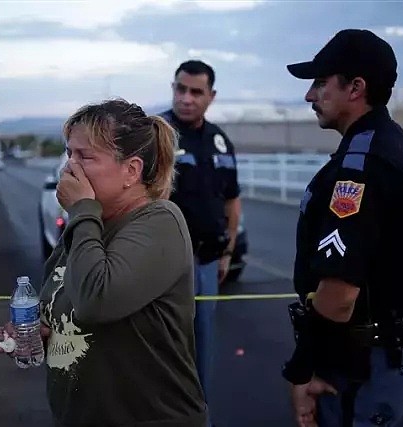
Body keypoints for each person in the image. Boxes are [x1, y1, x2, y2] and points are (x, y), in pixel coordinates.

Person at [0, 99, 208, 426]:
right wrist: (41, 331)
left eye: (86, 157)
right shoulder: (87, 227)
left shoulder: (159, 222)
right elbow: (68, 302)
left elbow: (97, 299)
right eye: (69, 154)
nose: (70, 168)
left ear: (131, 171)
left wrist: (81, 210)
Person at [281, 29, 403, 427]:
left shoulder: (361, 168)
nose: (310, 96)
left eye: (321, 83)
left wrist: (306, 370)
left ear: (356, 87)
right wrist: (391, 289)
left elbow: (338, 296)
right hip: (388, 351)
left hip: (357, 365)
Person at [159, 60, 242, 404]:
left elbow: (232, 201)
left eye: (196, 92)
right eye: (181, 89)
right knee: (163, 350)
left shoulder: (220, 141)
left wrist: (227, 252)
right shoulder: (155, 133)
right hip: (164, 265)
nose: (186, 98)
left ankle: (199, 415)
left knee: (203, 347)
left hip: (207, 261)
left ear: (211, 96)